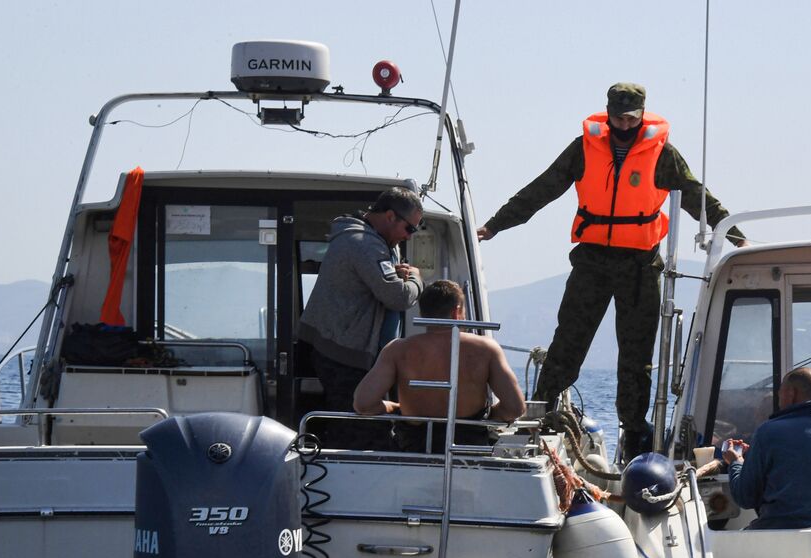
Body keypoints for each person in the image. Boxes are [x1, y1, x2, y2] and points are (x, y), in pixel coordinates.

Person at [476, 82, 745, 461]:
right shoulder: (584, 147)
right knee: (570, 337)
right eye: (616, 116)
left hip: (639, 264)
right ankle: (542, 408)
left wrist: (735, 236)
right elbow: (543, 188)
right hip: (592, 261)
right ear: (607, 112)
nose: (622, 124)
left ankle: (634, 429)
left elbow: (697, 196)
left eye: (629, 117)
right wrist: (496, 224)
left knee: (636, 354)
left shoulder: (662, 153)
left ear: (641, 114)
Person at [298, 186, 424, 446]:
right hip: (345, 353)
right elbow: (398, 297)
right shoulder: (364, 244)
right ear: (390, 216)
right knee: (361, 430)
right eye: (409, 228)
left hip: (344, 348)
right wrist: (416, 279)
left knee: (352, 423)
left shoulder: (367, 242)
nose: (409, 237)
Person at [353, 280, 525, 453]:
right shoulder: (486, 348)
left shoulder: (397, 350)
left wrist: (394, 407)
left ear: (422, 312)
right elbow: (515, 407)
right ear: (457, 312)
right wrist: (489, 416)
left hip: (414, 451)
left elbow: (363, 404)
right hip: (467, 452)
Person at [721, 368, 811, 529]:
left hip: (782, 530)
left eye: (780, 394)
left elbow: (745, 498)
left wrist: (736, 462)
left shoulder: (769, 432)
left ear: (791, 393)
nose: (778, 401)